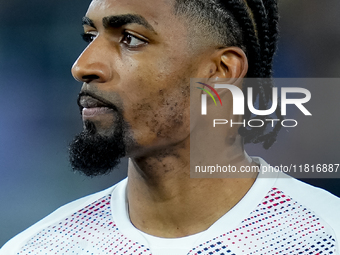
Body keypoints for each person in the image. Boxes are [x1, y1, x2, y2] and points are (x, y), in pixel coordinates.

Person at [1, 0, 339, 254]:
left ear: (219, 72)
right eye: (90, 36)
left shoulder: (325, 237)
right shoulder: (38, 248)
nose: (83, 66)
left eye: (131, 39)